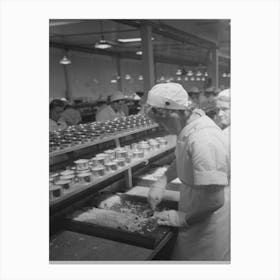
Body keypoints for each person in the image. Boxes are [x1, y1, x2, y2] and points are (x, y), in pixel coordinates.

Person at [145, 83, 230, 261]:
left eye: (162, 121)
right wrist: (162, 181)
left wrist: (182, 218)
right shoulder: (189, 128)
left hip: (206, 221)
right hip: (195, 208)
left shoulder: (204, 139)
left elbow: (214, 200)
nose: (162, 127)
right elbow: (183, 159)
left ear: (177, 112)